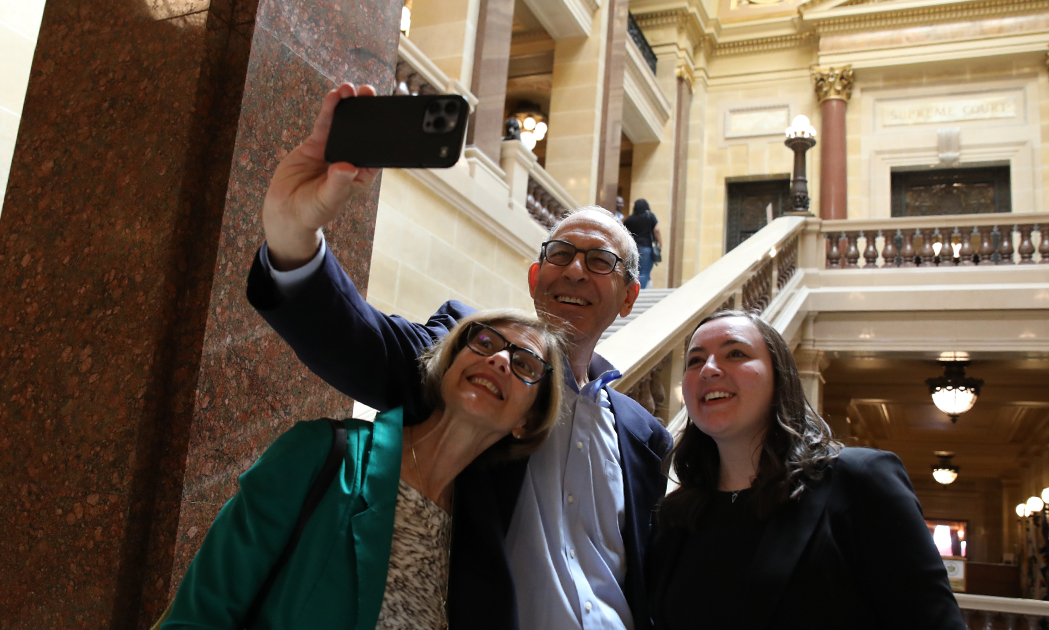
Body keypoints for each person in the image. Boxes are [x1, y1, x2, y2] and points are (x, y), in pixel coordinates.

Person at [247, 83, 672, 630]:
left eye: (599, 262)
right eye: (561, 254)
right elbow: (362, 343)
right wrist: (293, 233)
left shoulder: (645, 437)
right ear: (535, 277)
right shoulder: (474, 355)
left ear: (630, 297)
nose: (574, 270)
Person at [161, 310, 566, 629]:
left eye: (525, 364)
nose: (497, 359)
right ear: (450, 362)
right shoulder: (323, 453)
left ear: (525, 423)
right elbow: (199, 616)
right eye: (484, 342)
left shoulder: (475, 545)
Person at [647, 311, 966, 630]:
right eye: (695, 360)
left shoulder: (859, 481)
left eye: (736, 353)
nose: (709, 369)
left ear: (779, 378)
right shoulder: (674, 517)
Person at [622, 199, 661, 288]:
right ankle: (640, 291)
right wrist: (660, 244)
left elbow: (624, 231)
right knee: (644, 272)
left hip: (632, 248)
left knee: (633, 271)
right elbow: (657, 230)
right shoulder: (650, 216)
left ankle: (632, 290)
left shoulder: (630, 219)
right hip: (646, 247)